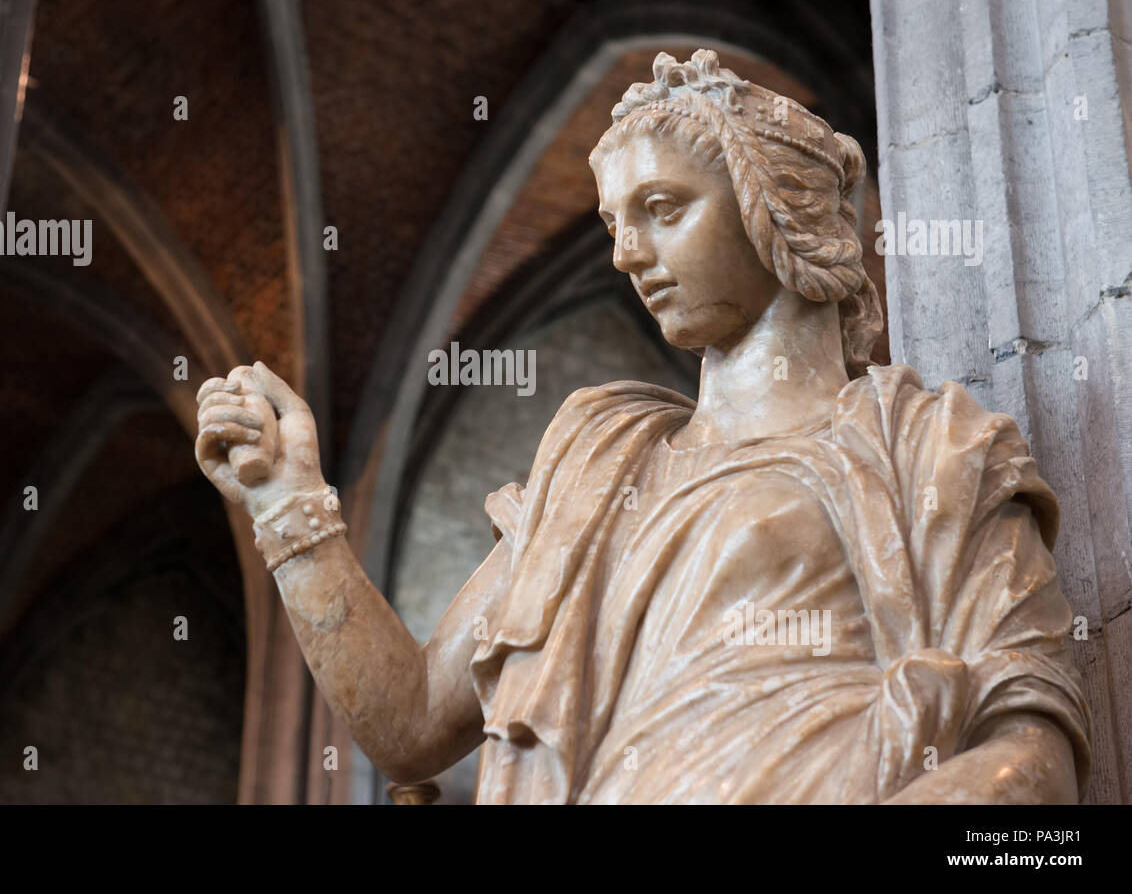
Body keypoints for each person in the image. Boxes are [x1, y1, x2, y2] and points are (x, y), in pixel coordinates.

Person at [196, 50, 1091, 803]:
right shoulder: (601, 455)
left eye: (663, 209)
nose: (627, 253)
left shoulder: (927, 447)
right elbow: (411, 725)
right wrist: (287, 501)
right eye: (616, 223)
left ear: (772, 207)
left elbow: (1037, 755)